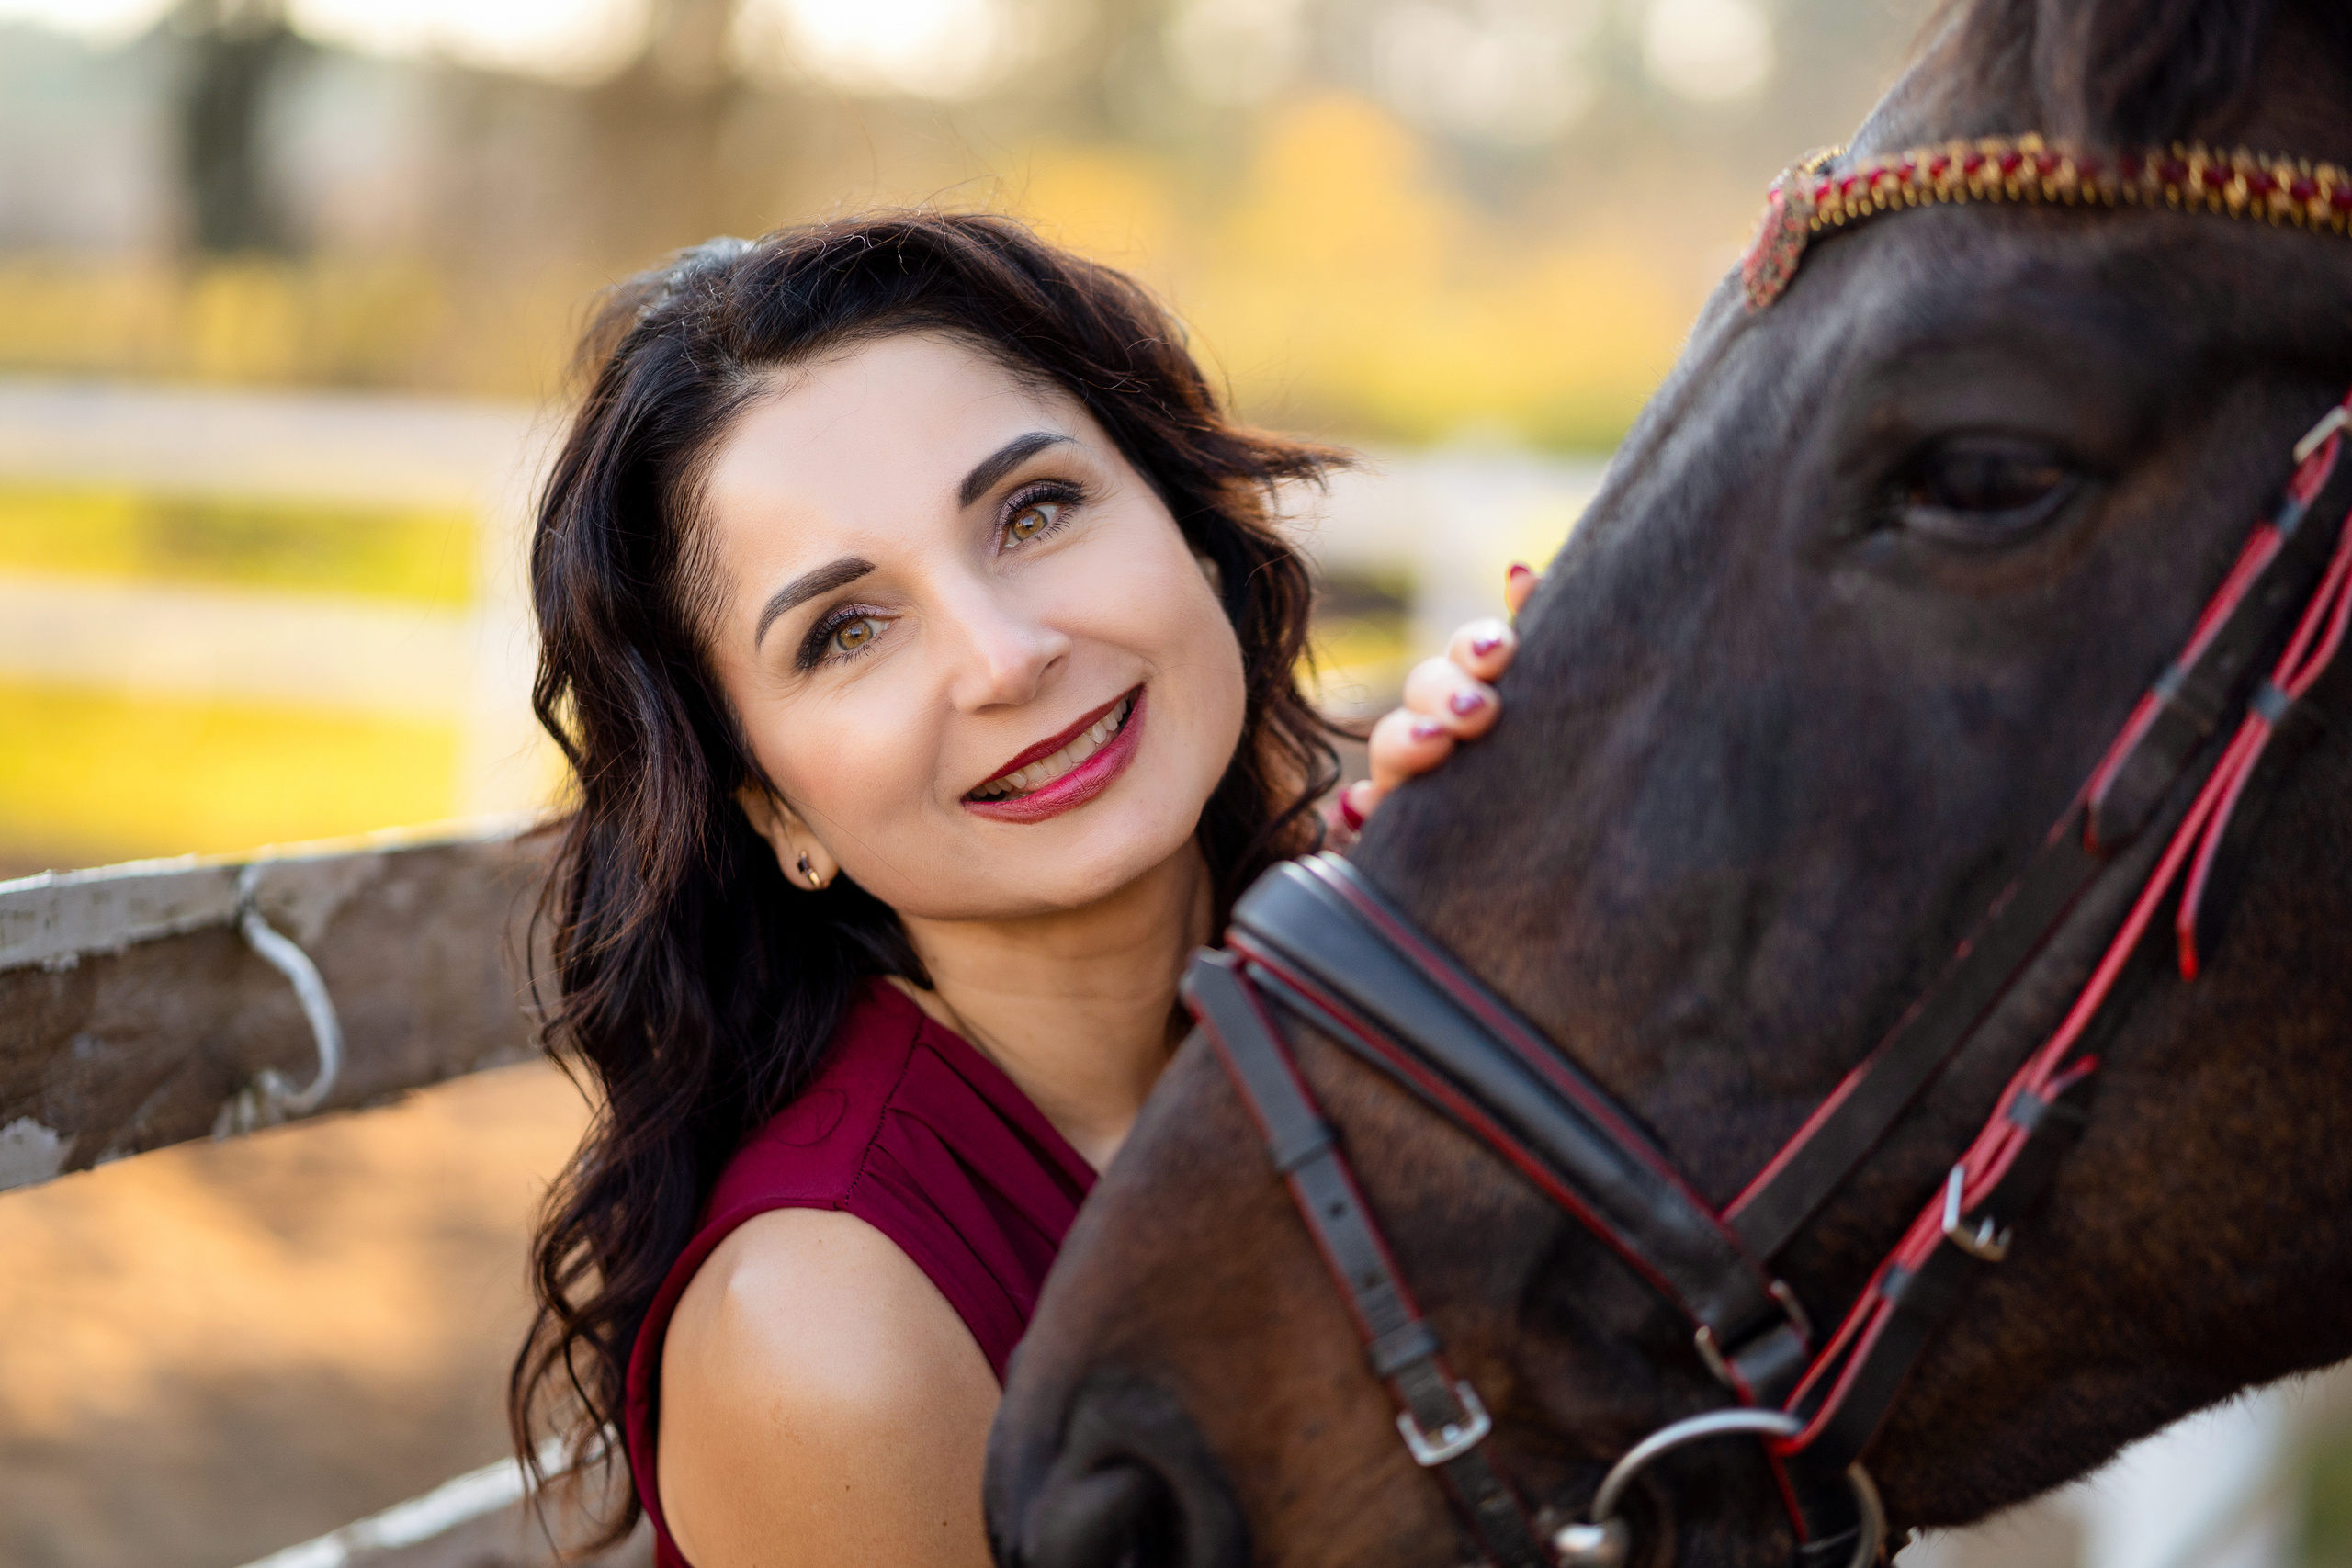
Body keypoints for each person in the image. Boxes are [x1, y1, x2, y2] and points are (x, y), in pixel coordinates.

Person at [508, 212, 1537, 1568]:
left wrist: (1533, 908)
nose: (1003, 656)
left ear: (1191, 532)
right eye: (847, 631)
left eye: (1033, 511)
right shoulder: (831, 1330)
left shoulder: (1347, 1018)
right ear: (774, 812)